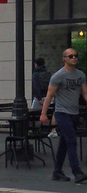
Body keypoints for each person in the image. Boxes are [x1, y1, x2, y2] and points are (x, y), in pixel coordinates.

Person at [40, 46, 87, 183]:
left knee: (64, 144)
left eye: (75, 55)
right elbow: (49, 96)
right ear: (64, 59)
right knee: (71, 140)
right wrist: (44, 114)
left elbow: (84, 93)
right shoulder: (58, 76)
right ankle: (77, 172)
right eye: (70, 56)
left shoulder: (80, 75)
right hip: (62, 113)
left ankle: (57, 172)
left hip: (74, 113)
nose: (74, 58)